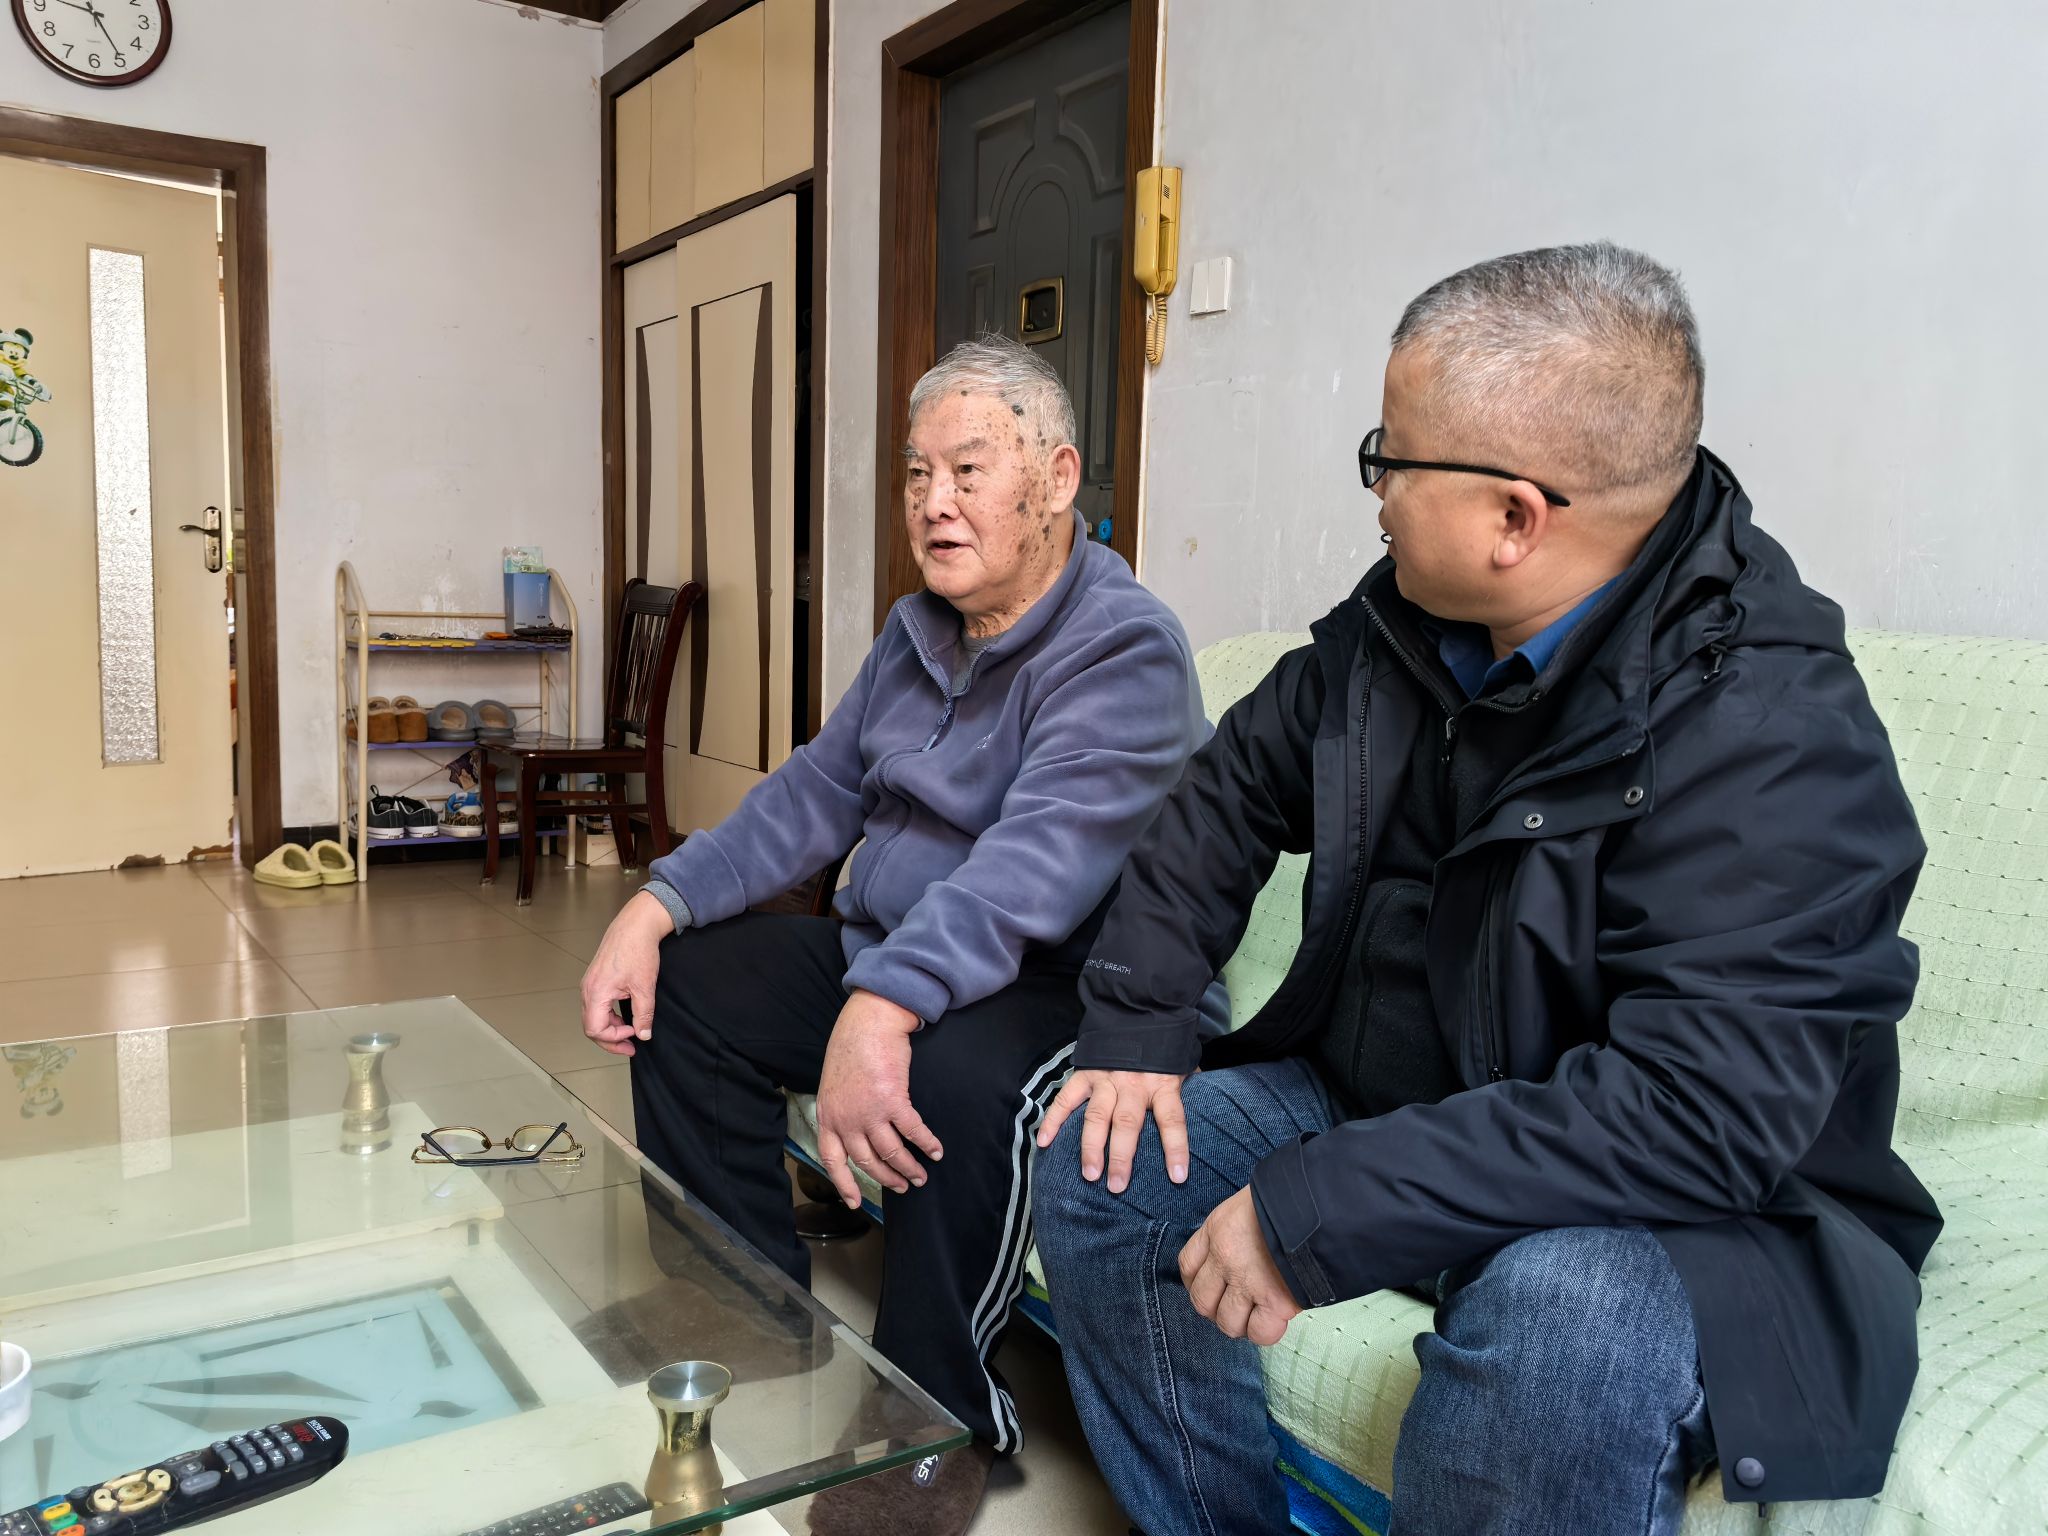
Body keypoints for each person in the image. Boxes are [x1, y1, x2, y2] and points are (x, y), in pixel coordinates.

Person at [1032, 243, 1941, 1536]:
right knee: (1103, 1160)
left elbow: (1695, 1116)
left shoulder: (1775, 733)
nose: (1375, 492)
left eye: (1390, 459)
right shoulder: (1402, 629)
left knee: (1562, 1327)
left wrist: (1328, 1205)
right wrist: (1135, 1022)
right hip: (1400, 1093)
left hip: (1683, 1208)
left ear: (1516, 519)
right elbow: (1226, 793)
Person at [578, 335, 1211, 1531]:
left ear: (1057, 479)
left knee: (954, 1073)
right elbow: (815, 792)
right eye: (917, 473)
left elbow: (1029, 876)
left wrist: (880, 1006)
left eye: (967, 470)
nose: (932, 502)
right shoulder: (917, 628)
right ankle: (743, 1310)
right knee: (690, 985)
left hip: (1065, 978)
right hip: (914, 952)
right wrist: (655, 903)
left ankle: (931, 1418)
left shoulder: (1122, 648)